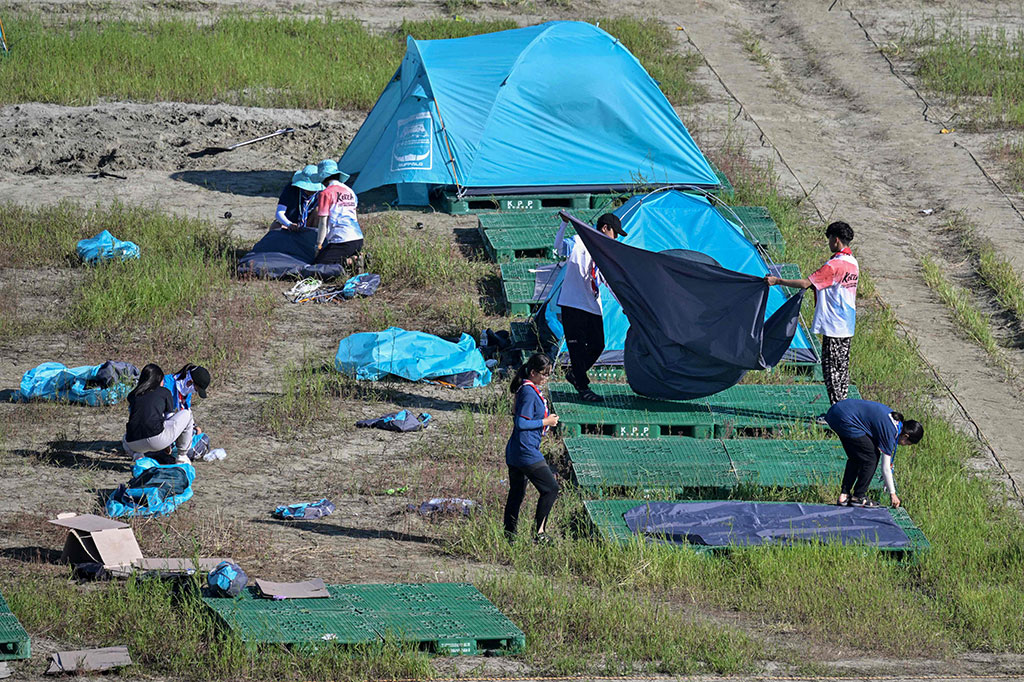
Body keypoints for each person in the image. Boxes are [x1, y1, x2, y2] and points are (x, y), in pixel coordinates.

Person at [766, 221, 858, 405]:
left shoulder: (834, 265)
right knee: (842, 370)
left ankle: (836, 412)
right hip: (847, 324)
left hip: (834, 325)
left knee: (831, 371)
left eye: (830, 239)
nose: (829, 243)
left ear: (836, 239)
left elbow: (806, 283)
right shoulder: (853, 263)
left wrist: (777, 280)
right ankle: (843, 407)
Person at [557, 213, 626, 402]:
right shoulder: (579, 242)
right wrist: (563, 225)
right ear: (605, 228)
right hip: (573, 303)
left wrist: (624, 305)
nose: (616, 238)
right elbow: (559, 248)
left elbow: (609, 282)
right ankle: (582, 385)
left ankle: (575, 374)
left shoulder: (604, 252)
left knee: (598, 344)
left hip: (592, 305)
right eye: (615, 233)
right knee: (577, 347)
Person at [503, 353, 561, 544]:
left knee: (517, 493)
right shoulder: (528, 392)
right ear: (533, 372)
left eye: (548, 374)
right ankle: (539, 533)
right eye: (543, 374)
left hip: (515, 451)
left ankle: (509, 536)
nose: (546, 378)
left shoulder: (527, 389)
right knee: (551, 489)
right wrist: (547, 421)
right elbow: (521, 422)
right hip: (525, 451)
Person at [824, 398, 923, 508]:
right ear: (906, 436)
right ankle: (859, 496)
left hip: (837, 411)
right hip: (845, 418)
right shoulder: (890, 431)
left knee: (856, 456)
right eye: (907, 444)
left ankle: (844, 495)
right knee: (872, 458)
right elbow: (885, 467)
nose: (904, 446)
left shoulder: (895, 421)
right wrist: (893, 493)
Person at [122, 363, 195, 465]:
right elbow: (169, 419)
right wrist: (168, 444)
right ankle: (182, 456)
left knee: (126, 436)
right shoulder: (165, 392)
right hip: (157, 441)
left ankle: (138, 456)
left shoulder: (133, 395)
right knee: (187, 414)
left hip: (133, 443)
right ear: (159, 380)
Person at [314, 159, 364, 269]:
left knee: (319, 265)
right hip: (358, 239)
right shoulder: (350, 191)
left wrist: (318, 245)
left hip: (342, 240)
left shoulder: (325, 193)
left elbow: (323, 223)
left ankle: (350, 261)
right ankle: (355, 257)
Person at [272, 164, 323, 231]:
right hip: (290, 223)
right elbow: (279, 212)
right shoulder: (291, 189)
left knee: (318, 211)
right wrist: (289, 224)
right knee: (275, 226)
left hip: (309, 223)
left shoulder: (322, 192)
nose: (310, 191)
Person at [163, 364, 210, 433]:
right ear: (190, 381)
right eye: (196, 389)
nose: (194, 392)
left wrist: (194, 426)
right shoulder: (166, 384)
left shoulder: (186, 392)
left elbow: (186, 411)